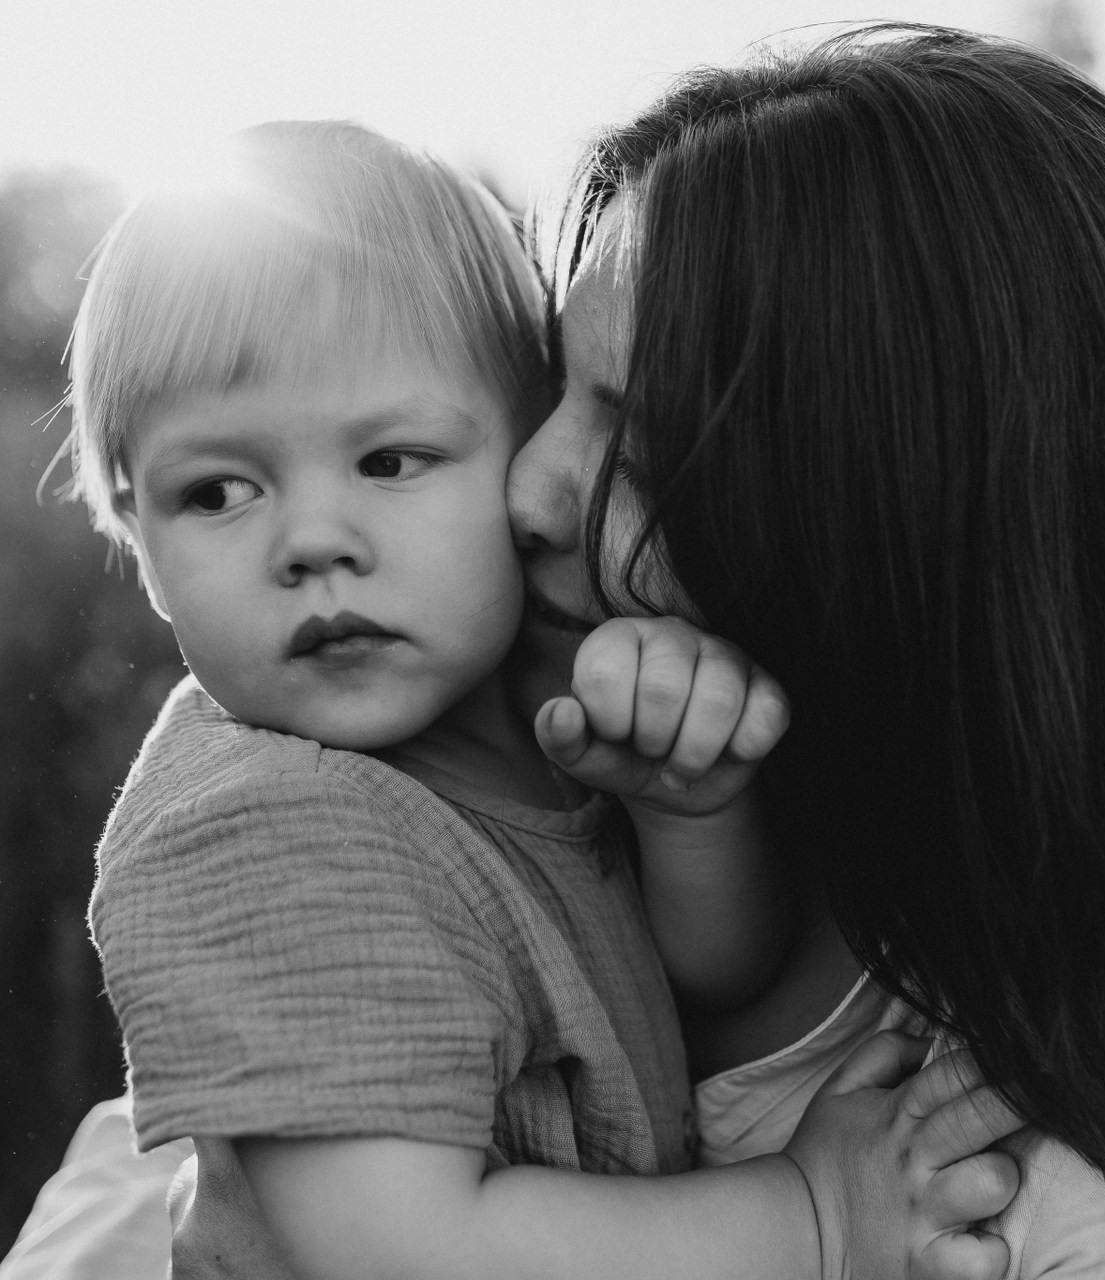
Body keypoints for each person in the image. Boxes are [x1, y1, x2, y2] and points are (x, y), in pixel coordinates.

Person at [5, 117, 1019, 1280]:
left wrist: (687, 812)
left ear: (521, 450)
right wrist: (812, 1215)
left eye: (388, 461)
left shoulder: (505, 729)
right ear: (133, 532)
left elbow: (698, 986)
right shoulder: (267, 828)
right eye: (217, 488)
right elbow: (399, 1248)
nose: (311, 541)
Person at [507, 21, 1105, 1275]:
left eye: (639, 453)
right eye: (546, 388)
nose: (529, 491)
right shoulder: (508, 838)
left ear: (889, 535)